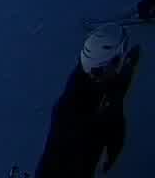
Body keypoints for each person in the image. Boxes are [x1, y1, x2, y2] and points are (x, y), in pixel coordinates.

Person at [36, 23, 140, 177]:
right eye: (121, 57)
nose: (124, 61)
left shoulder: (102, 78)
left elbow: (115, 109)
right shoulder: (70, 114)